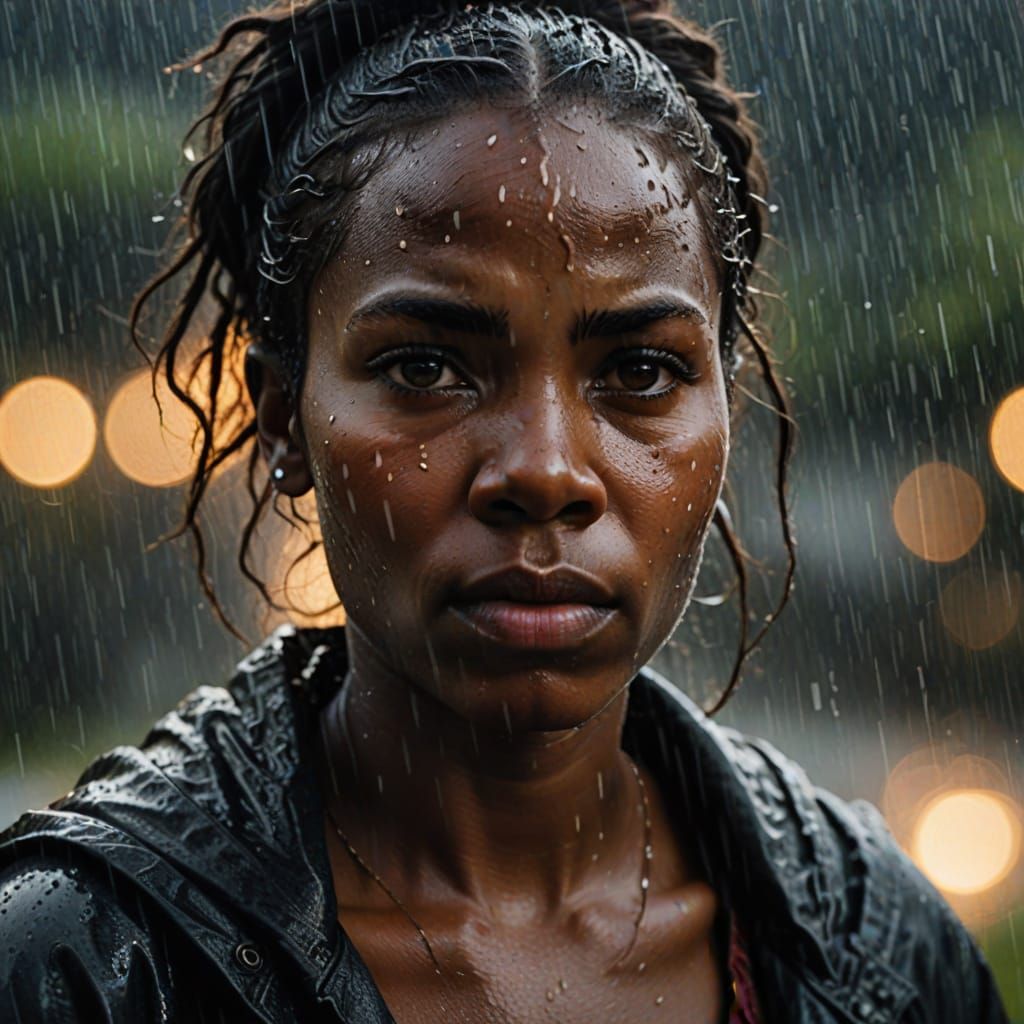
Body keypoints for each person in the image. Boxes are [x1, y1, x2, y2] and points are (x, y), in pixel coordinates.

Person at [0, 1, 1008, 1021]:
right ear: (280, 419)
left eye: (640, 370)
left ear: (723, 409)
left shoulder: (879, 949)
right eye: (427, 366)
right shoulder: (87, 966)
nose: (545, 470)